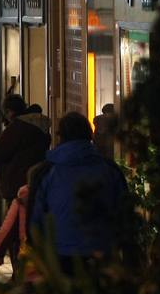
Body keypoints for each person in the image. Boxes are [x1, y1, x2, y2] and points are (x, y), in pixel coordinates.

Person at [29, 112, 128, 274]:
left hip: (59, 254)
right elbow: (124, 214)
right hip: (101, 252)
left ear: (60, 136)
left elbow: (35, 221)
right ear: (90, 135)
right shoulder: (110, 170)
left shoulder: (46, 172)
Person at [0, 94, 51, 264]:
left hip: (16, 186)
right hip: (36, 184)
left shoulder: (19, 127)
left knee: (15, 232)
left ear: (9, 112)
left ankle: (19, 271)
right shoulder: (40, 128)